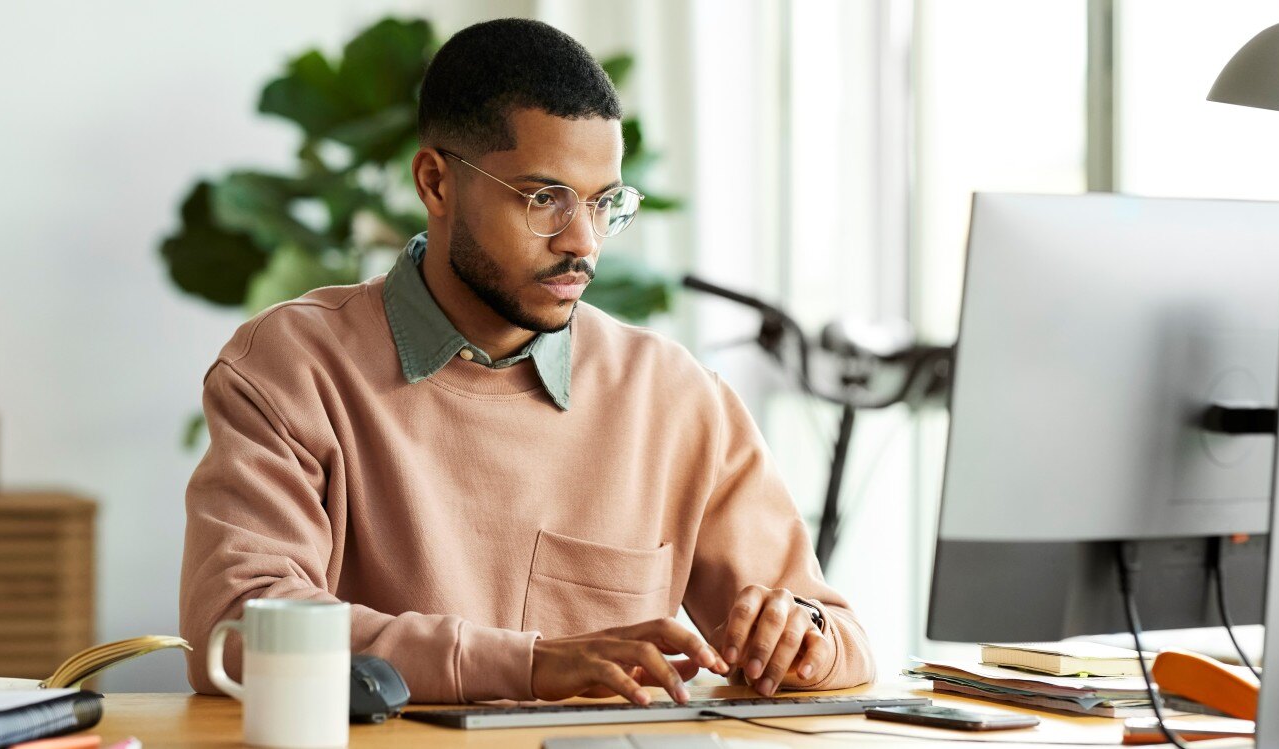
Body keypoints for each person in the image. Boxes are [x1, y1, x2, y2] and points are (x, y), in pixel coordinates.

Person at [180, 17, 874, 705]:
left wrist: (802, 637)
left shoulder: (674, 396)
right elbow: (237, 630)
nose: (584, 243)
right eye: (545, 199)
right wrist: (532, 664)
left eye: (605, 204)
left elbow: (839, 634)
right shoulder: (291, 368)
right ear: (436, 183)